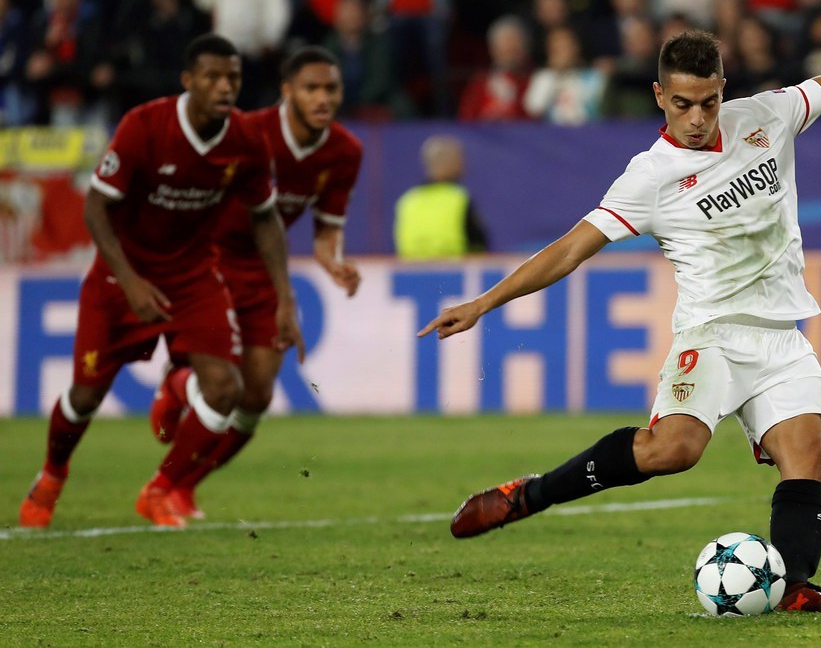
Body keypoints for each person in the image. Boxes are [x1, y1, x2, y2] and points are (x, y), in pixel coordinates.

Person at [419, 30, 821, 612]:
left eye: (708, 102)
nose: (696, 118)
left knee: (811, 449)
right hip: (713, 334)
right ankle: (529, 495)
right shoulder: (649, 176)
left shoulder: (766, 116)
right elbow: (569, 250)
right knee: (673, 450)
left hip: (780, 334)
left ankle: (793, 586)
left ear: (723, 89)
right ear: (658, 95)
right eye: (682, 104)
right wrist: (482, 303)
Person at [18, 33, 304, 529]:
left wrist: (285, 296)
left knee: (225, 390)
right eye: (213, 77)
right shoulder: (144, 126)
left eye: (232, 77)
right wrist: (128, 279)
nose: (224, 86)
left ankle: (161, 488)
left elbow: (264, 217)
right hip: (118, 280)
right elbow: (96, 206)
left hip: (193, 277)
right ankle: (51, 474)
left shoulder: (244, 140)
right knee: (85, 397)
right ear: (188, 81)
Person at [148, 46, 363, 519]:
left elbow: (327, 228)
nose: (323, 97)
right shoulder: (248, 132)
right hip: (210, 261)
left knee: (257, 396)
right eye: (311, 88)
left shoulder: (345, 151)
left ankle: (186, 484)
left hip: (265, 269)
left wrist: (333, 263)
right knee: (221, 386)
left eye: (331, 88)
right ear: (287, 91)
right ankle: (163, 475)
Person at [394, 134, 488, 260]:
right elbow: (478, 246)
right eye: (459, 158)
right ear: (449, 163)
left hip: (410, 275)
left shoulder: (407, 200)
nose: (463, 164)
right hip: (454, 273)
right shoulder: (458, 197)